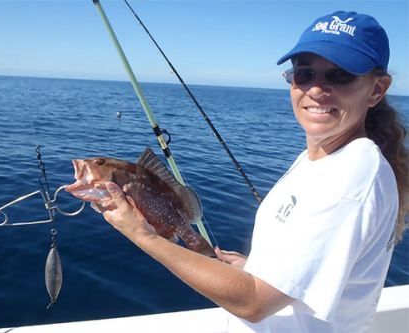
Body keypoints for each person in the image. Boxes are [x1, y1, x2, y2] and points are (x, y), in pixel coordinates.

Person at [93, 11, 409, 333]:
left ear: (376, 89)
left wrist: (141, 235)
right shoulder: (326, 158)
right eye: (305, 73)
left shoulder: (348, 180)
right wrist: (256, 268)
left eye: (340, 75)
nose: (316, 89)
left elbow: (254, 303)